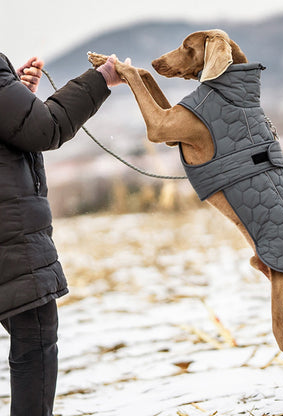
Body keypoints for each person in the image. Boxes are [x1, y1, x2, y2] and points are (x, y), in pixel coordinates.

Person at [0, 51, 123, 416]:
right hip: (8, 236)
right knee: (35, 335)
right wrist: (103, 78)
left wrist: (14, 92)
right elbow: (45, 127)